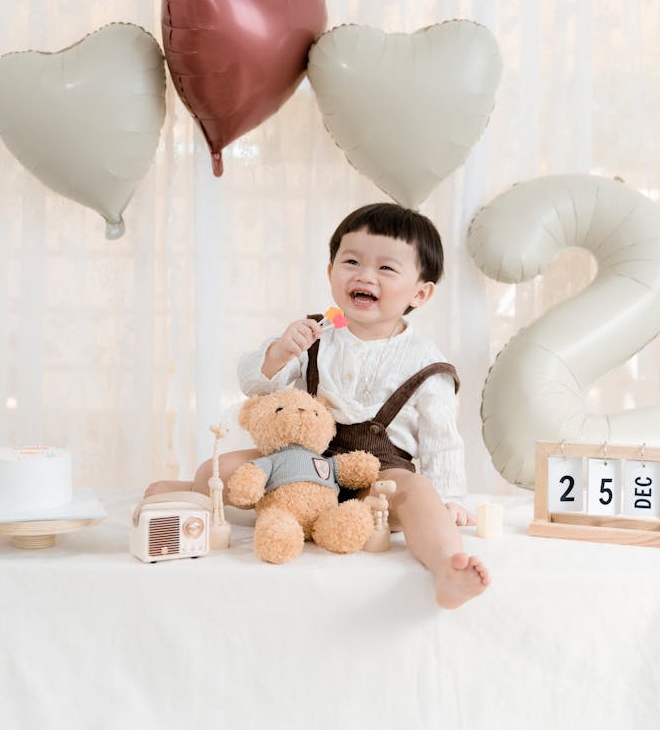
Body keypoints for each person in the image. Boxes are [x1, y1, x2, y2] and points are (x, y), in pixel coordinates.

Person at [143, 202, 489, 610]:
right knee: (220, 470)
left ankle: (447, 568)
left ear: (420, 292)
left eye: (386, 269)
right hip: (300, 466)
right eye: (352, 261)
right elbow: (254, 384)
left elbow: (442, 440)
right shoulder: (314, 334)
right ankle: (191, 492)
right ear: (330, 273)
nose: (364, 275)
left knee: (416, 492)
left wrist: (449, 497)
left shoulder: (426, 363)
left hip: (375, 480)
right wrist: (278, 353)